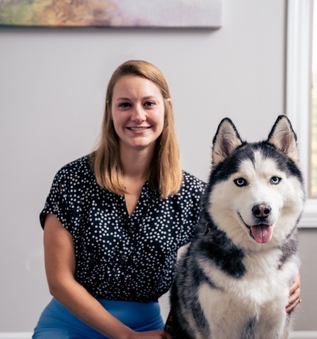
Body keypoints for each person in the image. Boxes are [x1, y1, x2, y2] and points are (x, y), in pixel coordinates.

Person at [33, 60, 301, 339]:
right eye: (125, 104)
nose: (138, 115)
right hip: (70, 325)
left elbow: (248, 241)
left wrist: (289, 278)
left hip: (147, 328)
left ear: (165, 109)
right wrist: (126, 337)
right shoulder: (72, 180)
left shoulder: (193, 195)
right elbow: (59, 282)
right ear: (110, 110)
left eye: (148, 103)